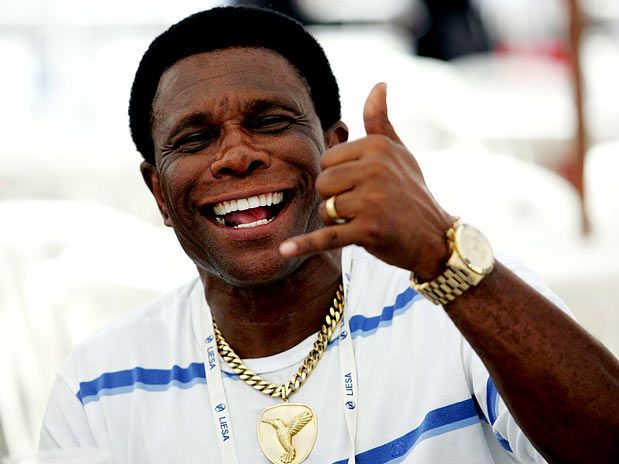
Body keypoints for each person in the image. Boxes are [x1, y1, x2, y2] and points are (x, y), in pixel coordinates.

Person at [39, 6, 618, 464]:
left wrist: (444, 257)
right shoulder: (97, 388)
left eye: (270, 121)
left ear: (335, 149)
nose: (236, 156)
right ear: (159, 192)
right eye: (195, 139)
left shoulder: (460, 303)